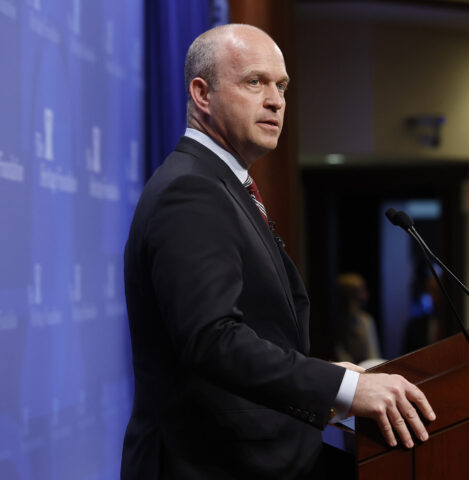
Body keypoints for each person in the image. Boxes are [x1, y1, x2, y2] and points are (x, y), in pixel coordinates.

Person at [122, 24, 435, 479]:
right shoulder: (191, 190)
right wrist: (343, 388)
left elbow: (249, 330)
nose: (275, 100)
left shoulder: (218, 184)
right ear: (201, 94)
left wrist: (319, 372)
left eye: (281, 86)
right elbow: (212, 340)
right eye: (255, 82)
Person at [331, 273, 382, 365]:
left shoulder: (366, 320)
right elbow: (339, 353)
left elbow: (373, 354)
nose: (366, 295)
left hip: (366, 369)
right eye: (361, 291)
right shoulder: (337, 322)